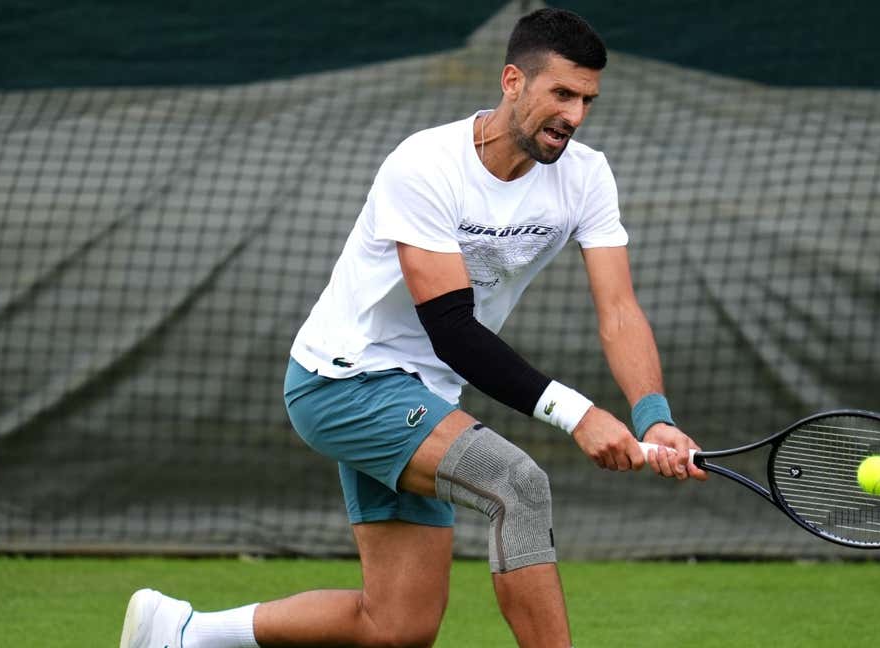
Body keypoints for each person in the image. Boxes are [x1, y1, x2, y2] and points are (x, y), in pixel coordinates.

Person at [120, 8, 707, 648]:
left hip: (424, 397)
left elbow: (619, 310)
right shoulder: (424, 165)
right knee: (518, 485)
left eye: (588, 99)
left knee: (398, 626)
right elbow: (451, 329)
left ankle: (180, 634)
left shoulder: (587, 175)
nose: (574, 115)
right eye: (561, 93)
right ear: (513, 81)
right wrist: (577, 414)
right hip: (343, 382)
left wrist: (652, 415)